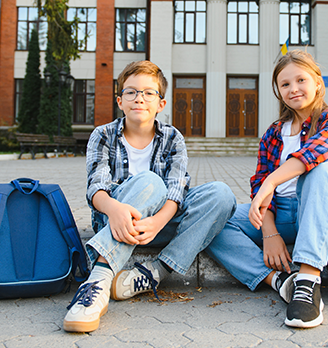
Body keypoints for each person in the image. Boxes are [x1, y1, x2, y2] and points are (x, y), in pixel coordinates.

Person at [64, 60, 236, 333]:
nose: (139, 98)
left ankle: (154, 272)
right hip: (114, 221)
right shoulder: (103, 135)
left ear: (161, 104)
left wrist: (157, 222)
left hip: (157, 225)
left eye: (148, 93)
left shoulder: (173, 138)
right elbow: (95, 188)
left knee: (222, 194)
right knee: (151, 182)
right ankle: (97, 282)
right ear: (120, 101)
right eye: (131, 92)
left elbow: (177, 189)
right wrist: (114, 209)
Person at [206, 50, 328, 329]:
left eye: (301, 80)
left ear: (318, 84)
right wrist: (269, 231)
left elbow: (314, 153)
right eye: (285, 84)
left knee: (322, 169)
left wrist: (271, 181)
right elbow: (260, 180)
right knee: (212, 221)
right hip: (279, 215)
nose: (293, 89)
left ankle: (309, 281)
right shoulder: (274, 132)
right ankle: (280, 281)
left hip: (315, 211)